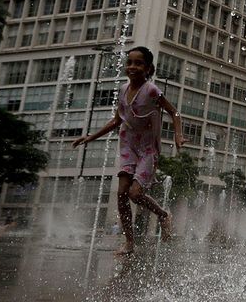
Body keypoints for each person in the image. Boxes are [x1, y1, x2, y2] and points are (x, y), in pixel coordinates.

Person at [71, 45, 184, 256]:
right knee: (122, 194)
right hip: (128, 146)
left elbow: (174, 112)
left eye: (138, 63)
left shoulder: (151, 90)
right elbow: (116, 120)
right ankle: (129, 243)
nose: (132, 66)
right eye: (129, 62)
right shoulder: (123, 89)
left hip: (148, 149)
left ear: (148, 68)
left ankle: (162, 214)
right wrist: (90, 137)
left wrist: (178, 135)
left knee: (135, 193)